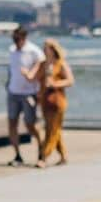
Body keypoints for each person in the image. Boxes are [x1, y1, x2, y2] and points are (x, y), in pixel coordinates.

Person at [6, 26, 45, 166]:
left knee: (30, 125)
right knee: (12, 123)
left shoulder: (34, 51)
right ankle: (17, 156)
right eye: (14, 39)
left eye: (18, 39)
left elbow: (42, 67)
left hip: (29, 93)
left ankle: (42, 153)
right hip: (13, 91)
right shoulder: (11, 50)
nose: (16, 42)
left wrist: (31, 75)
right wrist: (8, 83)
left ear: (24, 38)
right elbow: (11, 70)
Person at [35, 38, 74, 168]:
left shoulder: (60, 64)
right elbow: (35, 78)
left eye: (47, 47)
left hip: (58, 100)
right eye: (44, 47)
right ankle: (63, 156)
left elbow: (70, 81)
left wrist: (55, 83)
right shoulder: (43, 64)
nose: (45, 49)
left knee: (52, 129)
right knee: (53, 129)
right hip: (45, 101)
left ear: (53, 49)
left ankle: (44, 157)